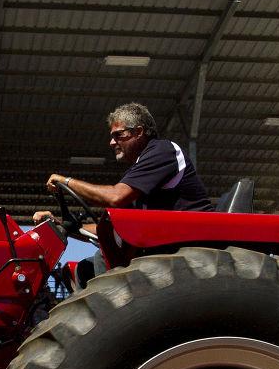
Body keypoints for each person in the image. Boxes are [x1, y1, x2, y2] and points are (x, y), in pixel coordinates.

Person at [36, 102, 213, 285]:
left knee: (102, 259)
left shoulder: (163, 151)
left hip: (189, 241)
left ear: (138, 132)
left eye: (118, 135)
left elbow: (115, 197)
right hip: (164, 242)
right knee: (83, 269)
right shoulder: (139, 172)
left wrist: (66, 181)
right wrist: (61, 226)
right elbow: (112, 230)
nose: (112, 142)